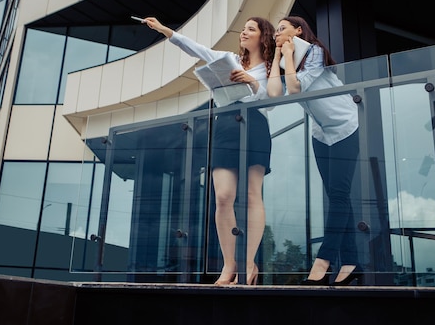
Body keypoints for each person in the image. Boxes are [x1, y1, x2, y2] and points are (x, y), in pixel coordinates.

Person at [141, 16, 276, 285]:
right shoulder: (228, 58)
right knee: (224, 196)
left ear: (263, 36)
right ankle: (229, 265)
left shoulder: (272, 67)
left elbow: (272, 101)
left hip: (255, 124)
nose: (244, 33)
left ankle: (249, 264)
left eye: (251, 28)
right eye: (243, 28)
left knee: (251, 195)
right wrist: (166, 29)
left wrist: (251, 81)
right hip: (226, 125)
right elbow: (196, 49)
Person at [267, 16, 362, 286]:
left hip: (345, 127)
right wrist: (277, 56)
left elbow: (296, 88)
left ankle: (324, 261)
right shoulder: (287, 62)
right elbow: (276, 93)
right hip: (321, 134)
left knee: (340, 195)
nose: (277, 33)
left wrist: (287, 54)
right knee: (337, 196)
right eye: (276, 31)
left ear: (298, 30)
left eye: (282, 28)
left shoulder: (315, 52)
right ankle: (352, 261)